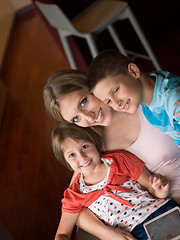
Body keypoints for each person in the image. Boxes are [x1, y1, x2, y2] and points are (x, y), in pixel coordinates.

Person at [43, 69, 180, 203]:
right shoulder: (92, 145)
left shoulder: (136, 95)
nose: (89, 117)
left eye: (83, 102)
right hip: (167, 210)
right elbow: (74, 203)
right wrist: (108, 228)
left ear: (91, 86)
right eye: (76, 118)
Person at [51, 121, 179, 240]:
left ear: (95, 144)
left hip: (163, 210)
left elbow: (154, 192)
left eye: (84, 147)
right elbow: (62, 233)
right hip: (134, 233)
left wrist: (161, 190)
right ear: (66, 162)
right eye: (72, 155)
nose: (82, 157)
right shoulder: (75, 193)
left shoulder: (119, 160)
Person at [87, 49, 180, 147]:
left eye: (115, 90)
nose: (117, 103)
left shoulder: (174, 101)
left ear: (134, 71)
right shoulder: (146, 97)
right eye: (108, 101)